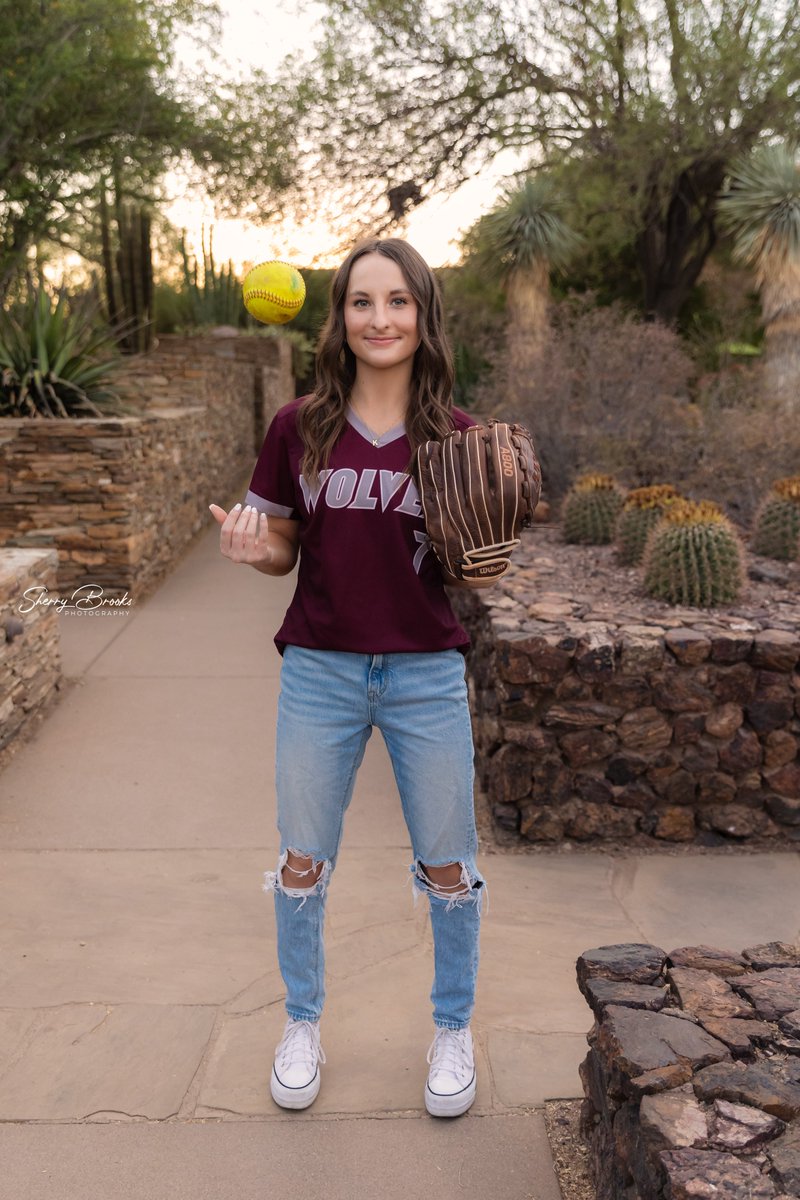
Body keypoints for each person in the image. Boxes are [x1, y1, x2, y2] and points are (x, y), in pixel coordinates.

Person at [209, 237, 490, 1119]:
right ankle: (302, 1023)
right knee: (301, 860)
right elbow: (286, 545)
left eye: (398, 301)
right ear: (340, 318)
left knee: (449, 866)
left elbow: (478, 572)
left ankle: (452, 1030)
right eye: (362, 302)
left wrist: (494, 542)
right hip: (323, 670)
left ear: (423, 315)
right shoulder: (300, 427)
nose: (380, 319)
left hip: (425, 672)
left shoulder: (460, 437)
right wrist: (256, 551)